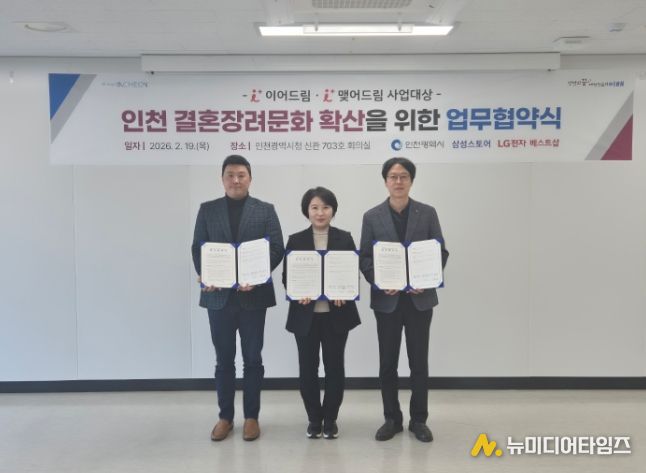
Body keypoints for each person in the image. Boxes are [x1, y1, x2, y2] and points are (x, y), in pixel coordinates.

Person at [191, 154, 284, 442]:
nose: (236, 180)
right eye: (230, 175)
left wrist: (257, 276)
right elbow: (198, 248)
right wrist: (206, 274)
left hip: (253, 297)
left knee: (253, 358)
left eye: (241, 175)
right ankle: (225, 417)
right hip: (218, 298)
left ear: (250, 178)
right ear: (222, 179)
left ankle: (252, 417)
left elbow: (277, 248)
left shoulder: (265, 210)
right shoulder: (208, 210)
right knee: (224, 360)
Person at [359, 157, 449, 443]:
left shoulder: (427, 213)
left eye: (404, 176)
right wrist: (379, 281)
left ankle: (419, 420)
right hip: (387, 302)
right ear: (385, 181)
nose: (398, 181)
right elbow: (365, 258)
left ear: (411, 180)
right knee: (388, 363)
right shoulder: (372, 216)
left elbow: (440, 252)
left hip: (420, 301)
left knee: (418, 362)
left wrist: (426, 279)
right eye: (393, 176)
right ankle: (392, 419)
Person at [283, 187, 361, 439]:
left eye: (325, 207)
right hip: (305, 315)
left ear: (333, 210)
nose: (320, 212)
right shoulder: (295, 240)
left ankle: (331, 420)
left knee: (335, 367)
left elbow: (353, 273)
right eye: (315, 207)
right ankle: (314, 419)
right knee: (307, 369)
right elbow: (287, 277)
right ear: (307, 211)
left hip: (336, 314)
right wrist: (298, 292)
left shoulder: (345, 238)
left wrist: (345, 291)